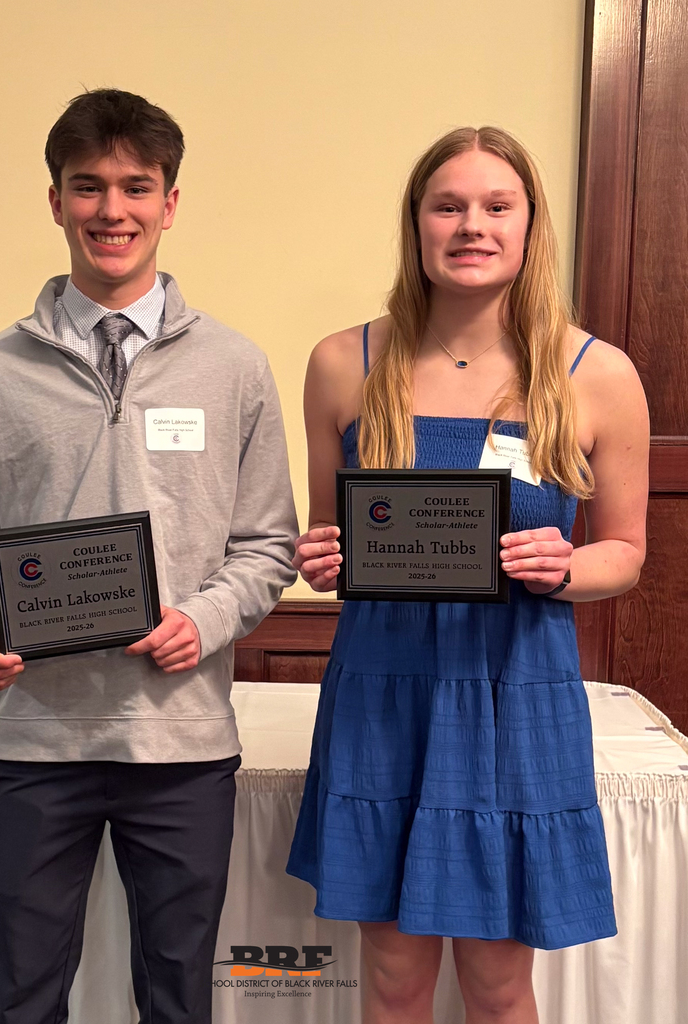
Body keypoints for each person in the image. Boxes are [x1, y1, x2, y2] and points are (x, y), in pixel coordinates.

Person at [0, 88, 297, 1024]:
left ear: (171, 201)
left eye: (137, 187)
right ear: (55, 201)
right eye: (87, 188)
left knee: (177, 999)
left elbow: (267, 544)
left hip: (182, 744)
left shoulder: (236, 366)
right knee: (23, 996)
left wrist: (202, 620)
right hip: (37, 741)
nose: (111, 211)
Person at [286, 126, 648, 1024]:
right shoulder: (343, 363)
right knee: (395, 977)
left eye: (496, 206)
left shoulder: (596, 374)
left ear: (530, 226)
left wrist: (563, 566)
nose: (471, 226)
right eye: (447, 206)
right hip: (383, 691)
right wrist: (321, 556)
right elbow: (329, 539)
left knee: (496, 983)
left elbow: (626, 554)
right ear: (415, 224)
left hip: (513, 692)